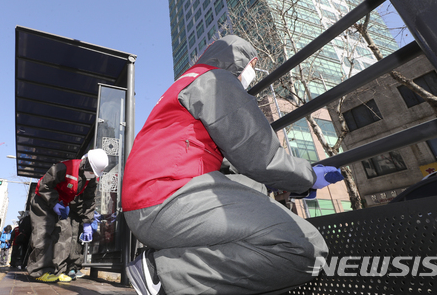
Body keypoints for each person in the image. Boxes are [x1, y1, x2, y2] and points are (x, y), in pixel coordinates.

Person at [121, 35, 343, 295]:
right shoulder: (215, 80)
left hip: (149, 203)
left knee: (254, 189)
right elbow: (259, 155)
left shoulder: (186, 83)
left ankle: (172, 264)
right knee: (306, 248)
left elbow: (235, 165)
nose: (253, 75)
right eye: (254, 67)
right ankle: (166, 274)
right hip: (168, 198)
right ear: (246, 62)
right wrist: (308, 176)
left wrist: (290, 185)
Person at [26, 148, 109, 283]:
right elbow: (44, 185)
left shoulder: (92, 178)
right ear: (86, 163)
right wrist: (54, 203)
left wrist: (88, 222)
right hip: (42, 201)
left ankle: (59, 271)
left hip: (61, 205)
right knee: (43, 234)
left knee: (65, 234)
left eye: (95, 173)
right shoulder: (65, 167)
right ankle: (38, 271)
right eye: (92, 171)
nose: (93, 175)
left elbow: (89, 201)